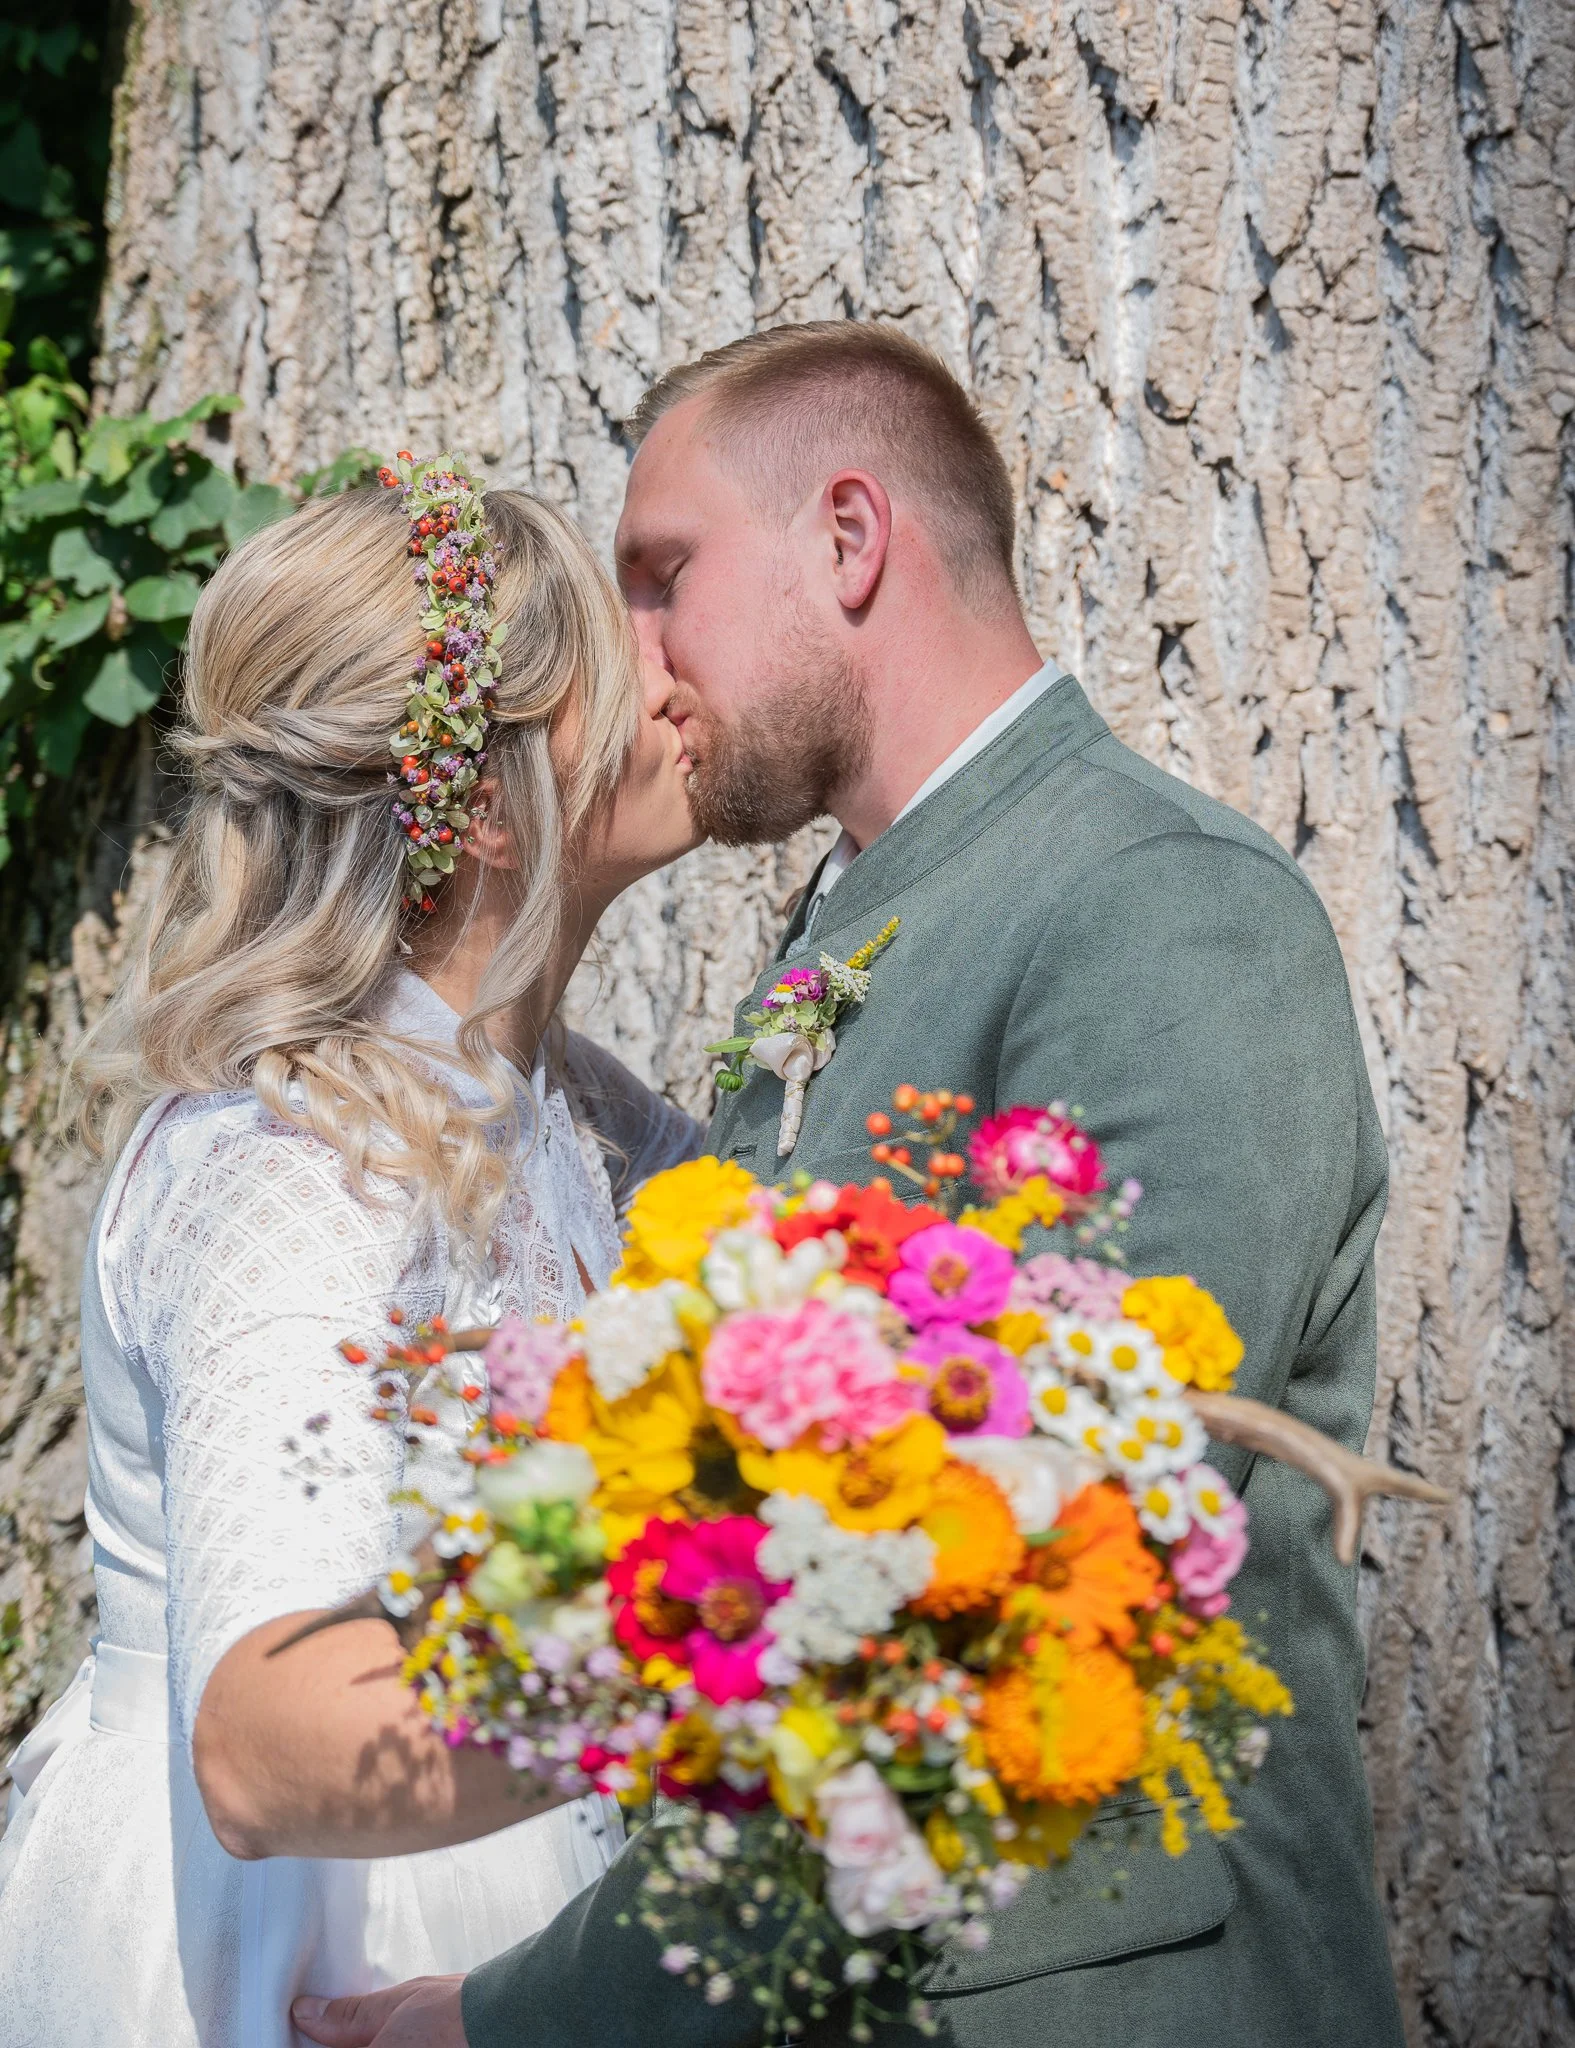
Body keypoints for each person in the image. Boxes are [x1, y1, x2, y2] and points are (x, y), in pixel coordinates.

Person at [295, 323, 1408, 2048]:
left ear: (846, 538)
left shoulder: (1159, 910)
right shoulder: (873, 912)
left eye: (662, 576)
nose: (630, 658)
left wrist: (521, 2018)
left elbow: (1010, 1578)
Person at [0, 470, 705, 2048]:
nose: (675, 673)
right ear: (484, 806)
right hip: (311, 1941)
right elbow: (260, 1748)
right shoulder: (300, 1167)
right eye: (619, 650)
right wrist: (726, 1689)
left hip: (500, 1869)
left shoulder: (570, 1113)